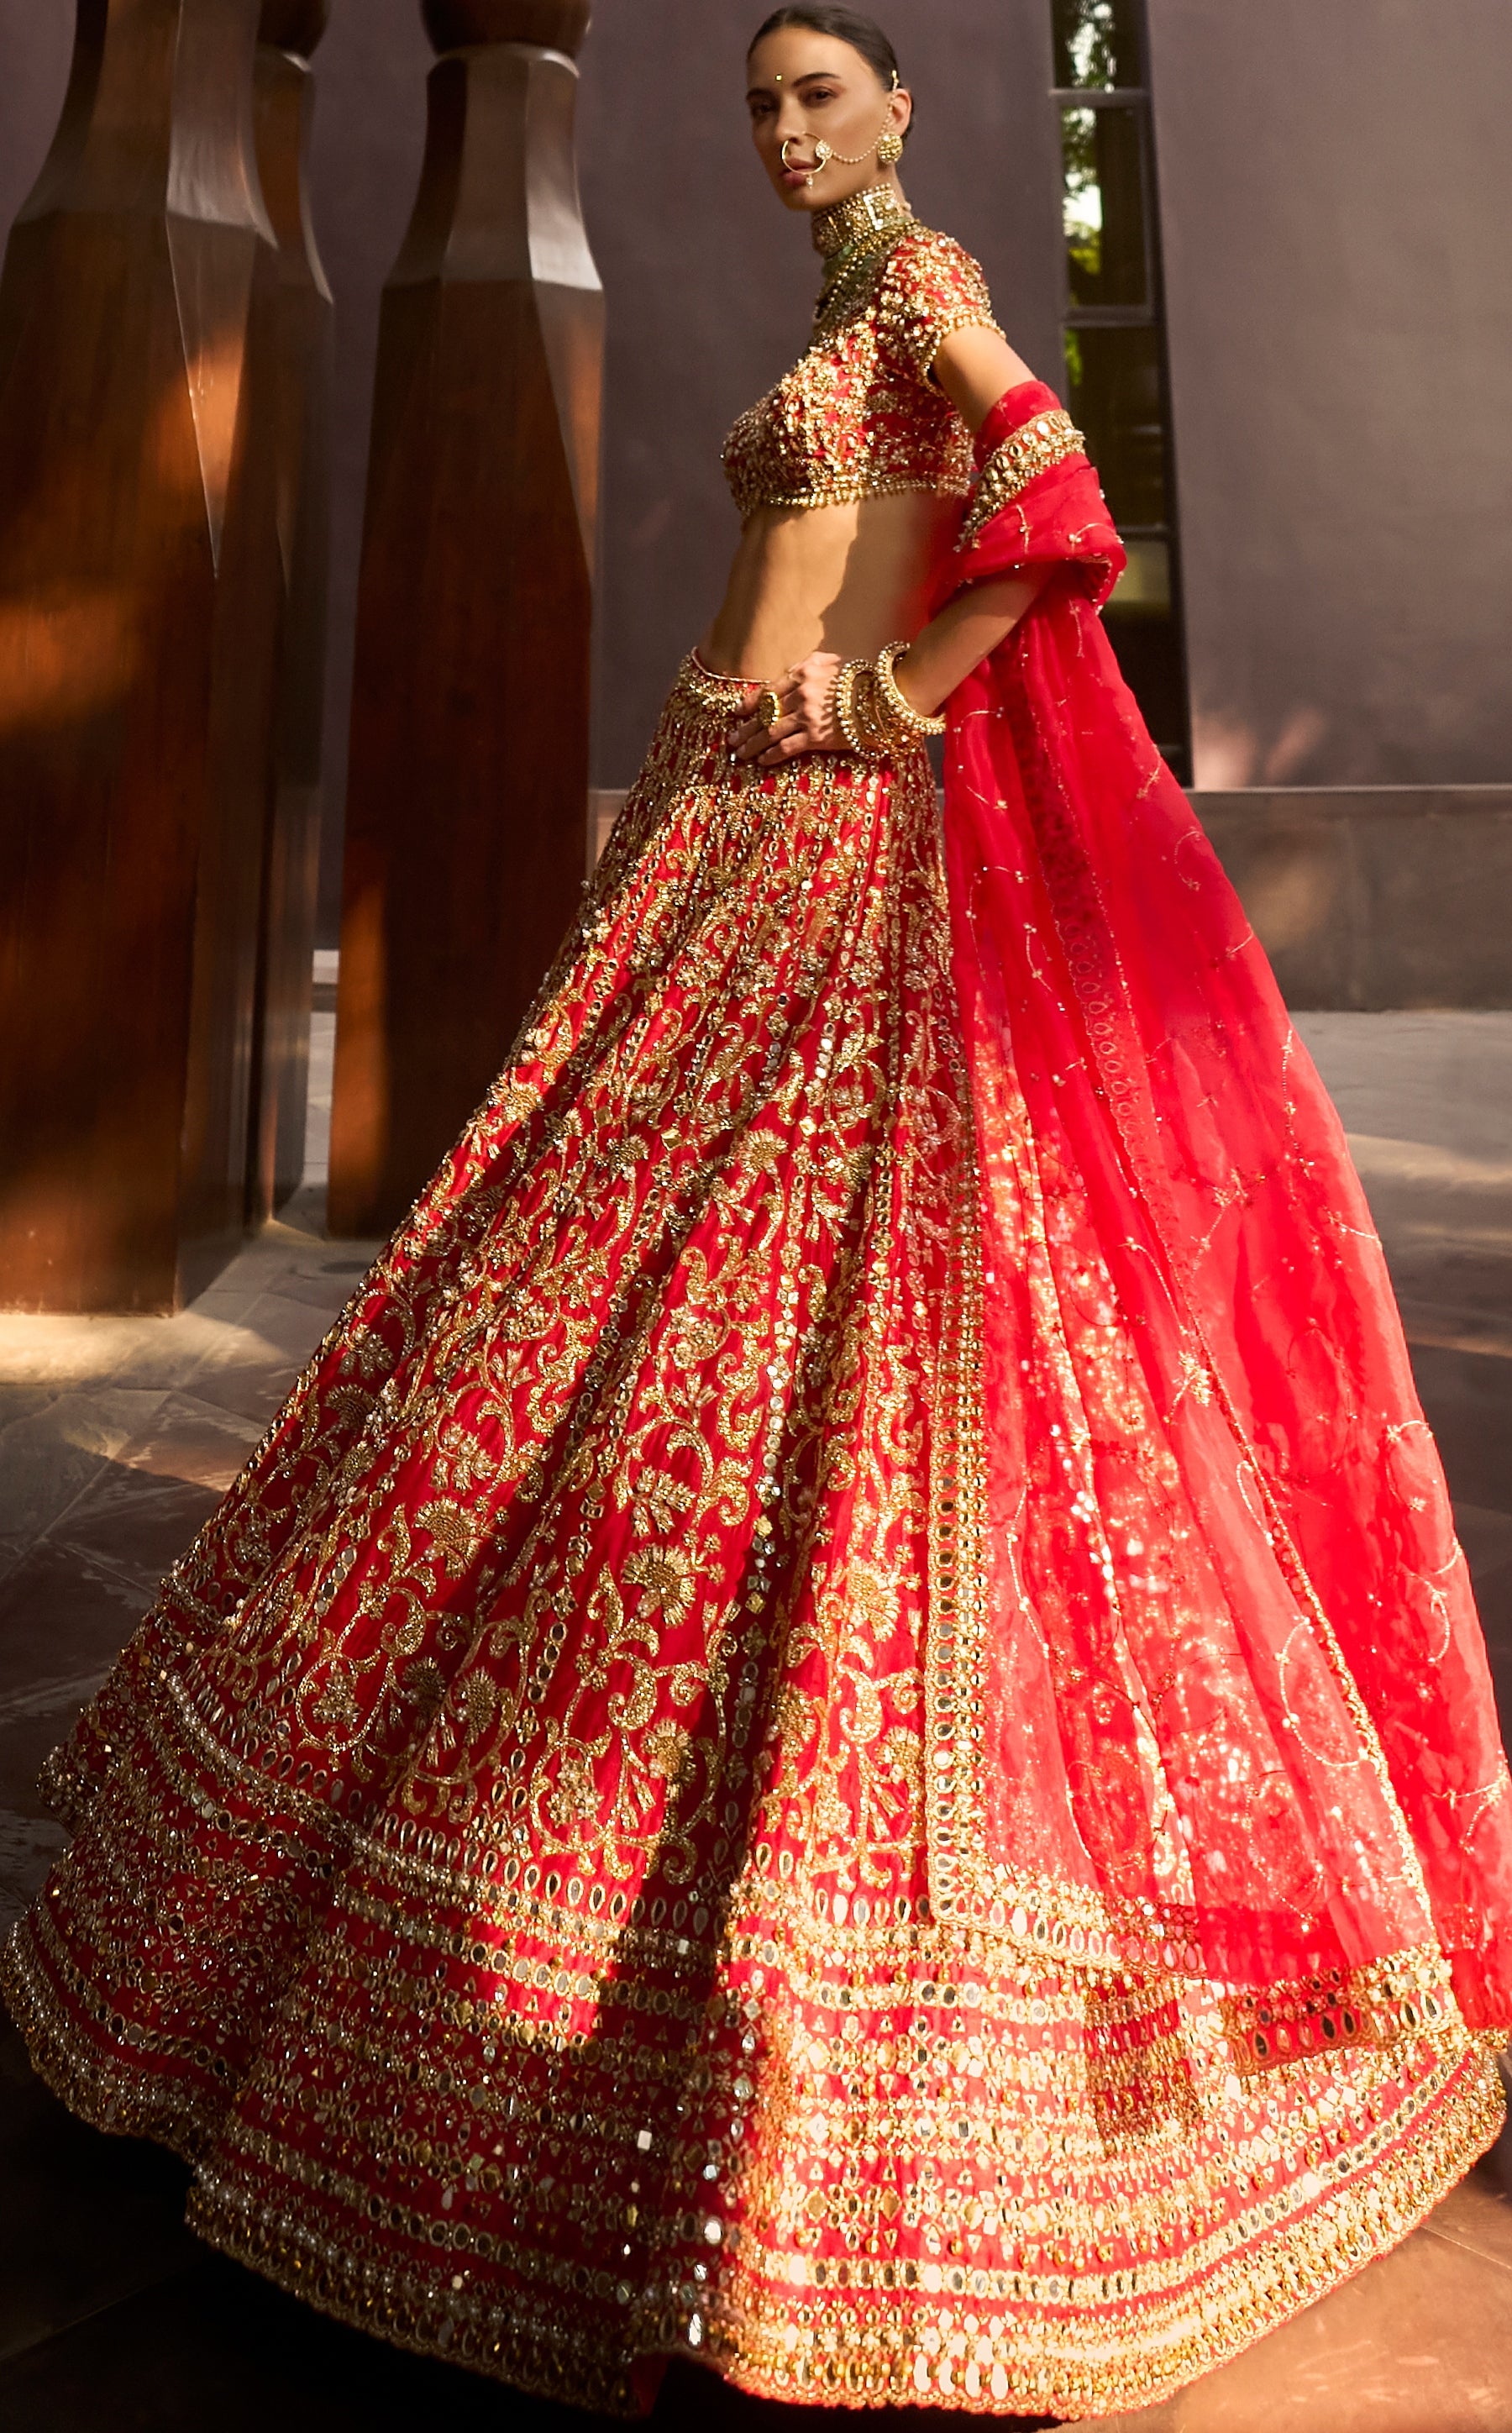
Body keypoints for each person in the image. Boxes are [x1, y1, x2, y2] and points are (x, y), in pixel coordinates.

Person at [6, 7, 1509, 2421]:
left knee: (806, 1343)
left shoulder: (922, 291)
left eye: (821, 97)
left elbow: (1062, 511)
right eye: (762, 106)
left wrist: (899, 699)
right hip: (716, 847)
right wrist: (696, 767)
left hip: (836, 865)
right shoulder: (844, 314)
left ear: (901, 114)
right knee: (551, 1328)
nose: (790, 134)